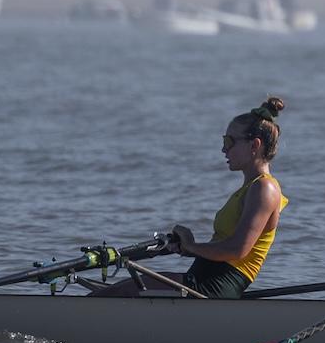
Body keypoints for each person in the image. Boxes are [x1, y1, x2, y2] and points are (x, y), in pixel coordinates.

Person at [93, 96, 288, 298]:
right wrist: (187, 248)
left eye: (229, 141)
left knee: (117, 292)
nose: (224, 149)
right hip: (201, 279)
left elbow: (237, 249)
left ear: (254, 145)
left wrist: (192, 246)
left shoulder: (265, 189)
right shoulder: (251, 188)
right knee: (112, 292)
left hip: (213, 288)